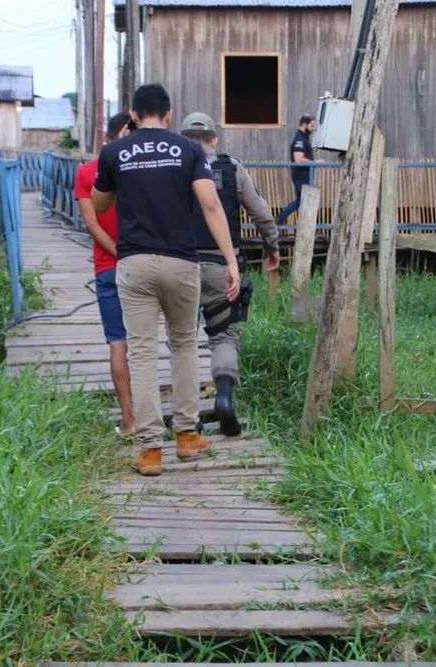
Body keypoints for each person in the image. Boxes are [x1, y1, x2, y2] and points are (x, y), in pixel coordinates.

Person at [91, 83, 241, 477]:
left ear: (133, 115)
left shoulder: (115, 152)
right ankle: (188, 436)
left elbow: (100, 202)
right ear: (169, 113)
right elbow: (210, 205)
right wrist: (230, 260)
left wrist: (119, 158)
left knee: (141, 352)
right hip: (181, 262)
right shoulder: (189, 150)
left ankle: (150, 450)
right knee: (185, 345)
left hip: (134, 262)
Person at [180, 112, 280, 437]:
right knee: (224, 334)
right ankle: (223, 396)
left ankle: (187, 417)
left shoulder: (173, 168)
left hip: (180, 265)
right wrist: (272, 245)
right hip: (221, 267)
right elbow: (260, 212)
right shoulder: (232, 168)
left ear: (182, 139)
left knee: (181, 340)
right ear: (214, 139)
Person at [74, 112, 136, 436]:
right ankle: (152, 416)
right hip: (141, 266)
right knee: (145, 344)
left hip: (107, 268)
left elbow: (91, 224)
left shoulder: (86, 172)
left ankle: (129, 421)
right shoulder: (137, 168)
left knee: (117, 343)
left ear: (105, 138)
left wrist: (116, 253)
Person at [275, 114, 321, 223]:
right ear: (304, 124)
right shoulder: (299, 139)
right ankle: (280, 218)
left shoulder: (303, 138)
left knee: (301, 201)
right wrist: (315, 162)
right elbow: (298, 159)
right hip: (302, 176)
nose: (313, 129)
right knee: (306, 201)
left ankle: (279, 218)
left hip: (303, 175)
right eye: (311, 126)